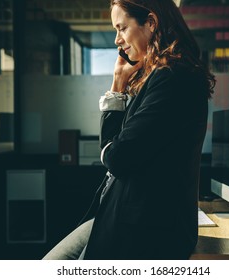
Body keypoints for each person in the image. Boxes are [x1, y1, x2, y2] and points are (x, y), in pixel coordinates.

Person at [43, 0, 215, 260]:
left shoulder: (174, 78)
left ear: (151, 23)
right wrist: (118, 83)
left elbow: (118, 158)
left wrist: (110, 150)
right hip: (122, 217)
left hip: (143, 231)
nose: (117, 40)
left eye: (122, 28)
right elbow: (117, 151)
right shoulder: (162, 76)